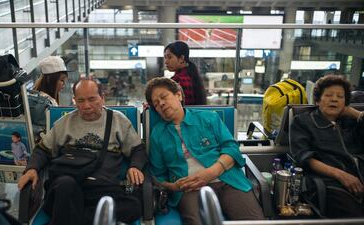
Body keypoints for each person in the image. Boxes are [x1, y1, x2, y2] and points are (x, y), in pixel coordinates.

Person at [18, 78, 147, 225]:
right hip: (67, 188)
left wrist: (135, 166)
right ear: (74, 101)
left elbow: (138, 149)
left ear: (102, 98)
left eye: (92, 99)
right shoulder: (64, 123)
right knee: (65, 186)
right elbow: (42, 150)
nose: (86, 106)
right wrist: (32, 169)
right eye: (80, 101)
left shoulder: (118, 121)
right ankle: (95, 218)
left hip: (103, 189)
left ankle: (71, 217)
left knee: (134, 206)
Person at [145, 77, 264, 225]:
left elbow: (232, 148)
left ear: (178, 95)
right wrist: (173, 187)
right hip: (189, 189)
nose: (161, 104)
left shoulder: (208, 118)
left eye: (164, 97)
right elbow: (158, 175)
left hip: (226, 179)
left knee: (253, 222)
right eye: (156, 104)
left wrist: (212, 172)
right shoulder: (158, 134)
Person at [290, 74, 364, 218]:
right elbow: (303, 156)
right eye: (329, 95)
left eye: (340, 97)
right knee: (355, 218)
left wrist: (356, 114)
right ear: (318, 100)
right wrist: (341, 175)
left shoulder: (351, 122)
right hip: (331, 183)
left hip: (359, 176)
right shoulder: (303, 122)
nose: (334, 99)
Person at [164, 41, 207, 105]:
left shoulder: (179, 80)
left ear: (181, 58)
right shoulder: (191, 75)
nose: (166, 61)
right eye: (165, 57)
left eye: (169, 57)